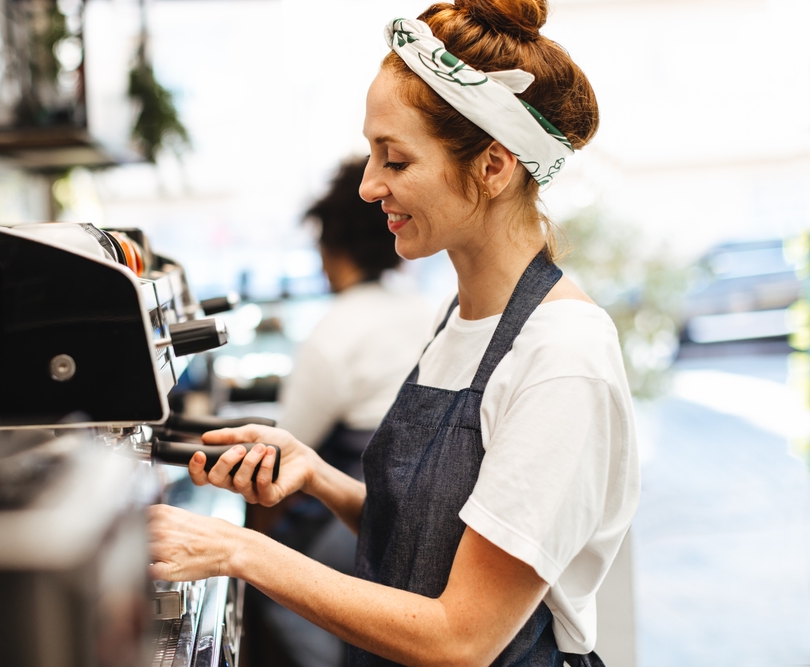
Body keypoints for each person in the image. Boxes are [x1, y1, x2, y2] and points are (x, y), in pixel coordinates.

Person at [149, 1, 640, 665]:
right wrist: (318, 476)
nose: (368, 184)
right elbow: (429, 543)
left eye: (395, 160)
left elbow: (461, 635)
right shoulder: (460, 318)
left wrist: (237, 548)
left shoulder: (561, 355)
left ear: (494, 166)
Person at [264, 157, 432, 667]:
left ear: (330, 247)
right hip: (428, 513)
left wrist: (251, 538)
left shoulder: (334, 329)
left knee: (281, 596)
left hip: (366, 513)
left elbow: (281, 451)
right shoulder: (429, 309)